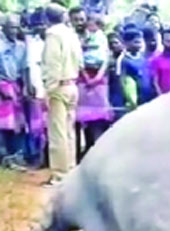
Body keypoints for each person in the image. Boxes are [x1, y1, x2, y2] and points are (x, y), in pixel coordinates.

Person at [42, 2, 81, 184]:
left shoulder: (53, 35)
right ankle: (71, 169)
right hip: (73, 84)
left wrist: (48, 90)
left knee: (57, 133)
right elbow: (79, 61)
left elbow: (53, 63)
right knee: (69, 131)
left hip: (59, 86)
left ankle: (59, 174)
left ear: (46, 18)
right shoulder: (71, 34)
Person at [0, 14, 26, 166]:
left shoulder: (21, 46)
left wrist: (23, 87)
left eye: (16, 27)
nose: (14, 30)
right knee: (0, 125)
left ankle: (16, 155)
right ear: (3, 27)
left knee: (17, 124)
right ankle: (3, 156)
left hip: (16, 86)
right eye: (11, 27)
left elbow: (23, 69)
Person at [73, 8, 111, 159]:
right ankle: (76, 154)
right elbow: (77, 59)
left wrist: (98, 77)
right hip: (81, 78)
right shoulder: (76, 38)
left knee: (97, 120)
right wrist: (85, 76)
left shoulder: (101, 38)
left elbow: (106, 58)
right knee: (78, 118)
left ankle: (94, 152)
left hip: (99, 80)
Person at [23, 8, 48, 167]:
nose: (41, 27)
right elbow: (27, 66)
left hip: (53, 88)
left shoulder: (56, 40)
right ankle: (39, 157)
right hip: (36, 87)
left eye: (43, 24)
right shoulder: (32, 43)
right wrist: (28, 85)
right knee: (37, 126)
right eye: (38, 24)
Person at [117, 27, 146, 113]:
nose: (139, 45)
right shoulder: (123, 60)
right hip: (131, 101)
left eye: (140, 42)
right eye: (136, 42)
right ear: (126, 43)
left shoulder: (142, 57)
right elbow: (121, 80)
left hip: (144, 96)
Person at [149, 26, 170, 96]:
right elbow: (154, 82)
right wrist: (161, 97)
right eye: (168, 41)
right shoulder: (155, 60)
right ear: (162, 41)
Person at [107, 31, 124, 120]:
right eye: (111, 43)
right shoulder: (107, 61)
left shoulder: (126, 58)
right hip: (113, 92)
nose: (114, 45)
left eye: (116, 43)